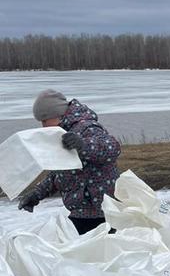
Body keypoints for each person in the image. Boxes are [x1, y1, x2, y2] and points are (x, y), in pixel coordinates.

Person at [18, 89, 121, 235]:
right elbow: (60, 173)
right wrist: (36, 195)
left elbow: (112, 149)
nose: (43, 126)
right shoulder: (60, 134)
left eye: (44, 120)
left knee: (102, 254)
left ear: (57, 115)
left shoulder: (87, 127)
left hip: (102, 213)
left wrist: (82, 145)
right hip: (80, 213)